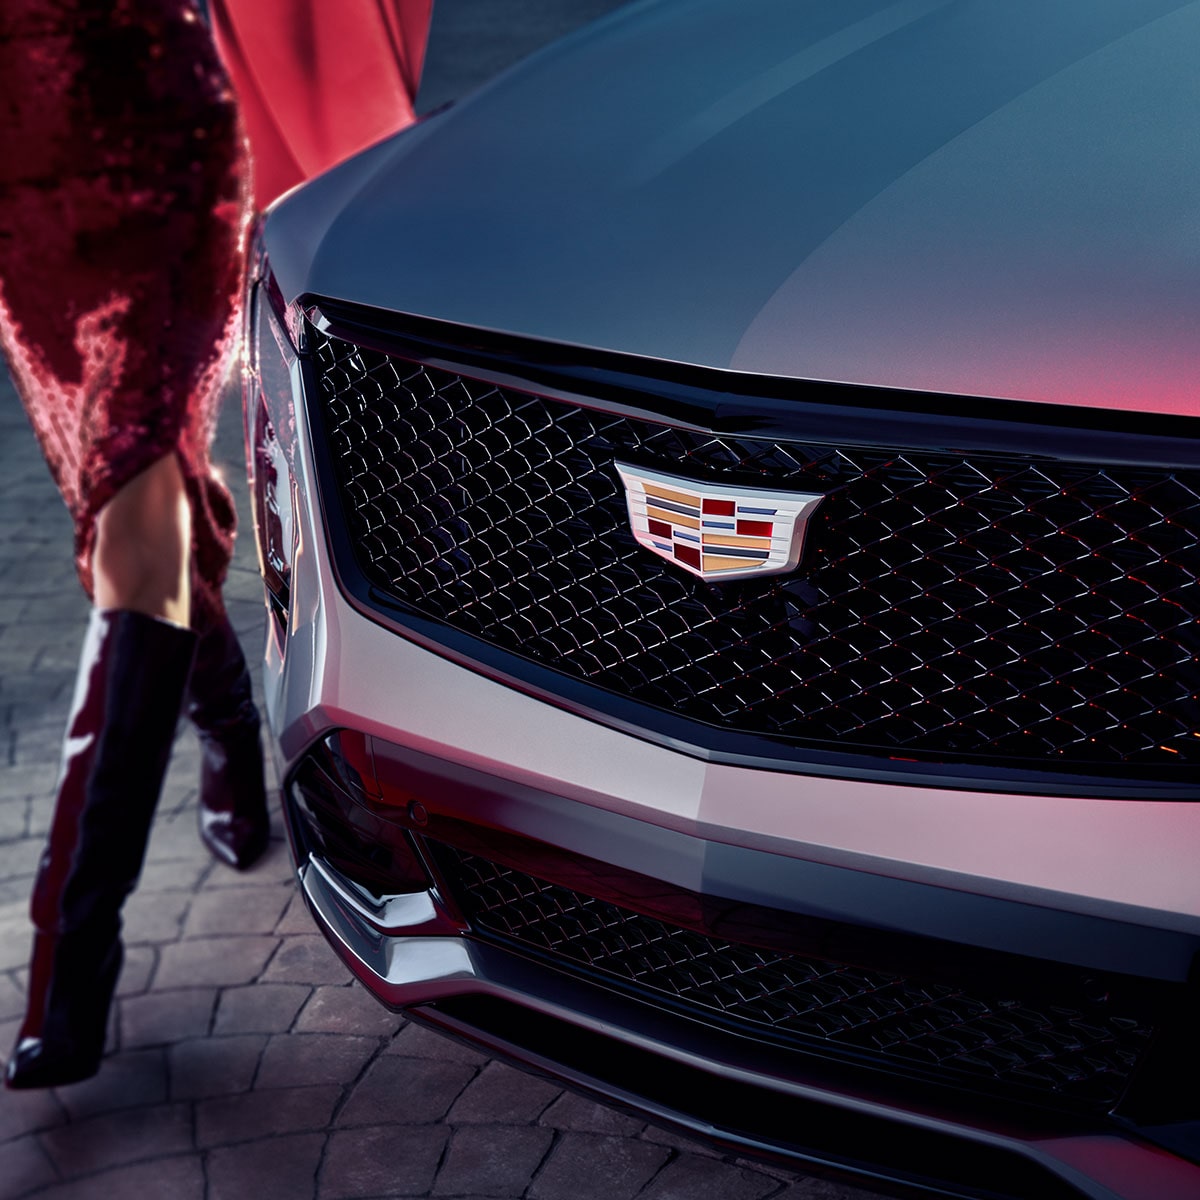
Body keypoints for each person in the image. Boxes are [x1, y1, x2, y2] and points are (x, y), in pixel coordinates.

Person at [0, 0, 266, 1090]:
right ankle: (233, 729)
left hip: (162, 156)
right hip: (24, 183)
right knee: (134, 514)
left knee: (136, 528)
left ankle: (69, 970)